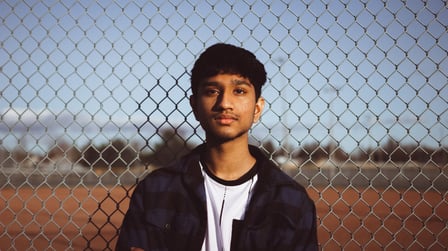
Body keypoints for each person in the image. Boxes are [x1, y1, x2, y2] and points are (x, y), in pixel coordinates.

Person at [115, 43, 318, 251]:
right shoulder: (156, 191)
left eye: (239, 91)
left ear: (257, 108)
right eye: (212, 91)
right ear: (194, 106)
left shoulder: (292, 202)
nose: (224, 103)